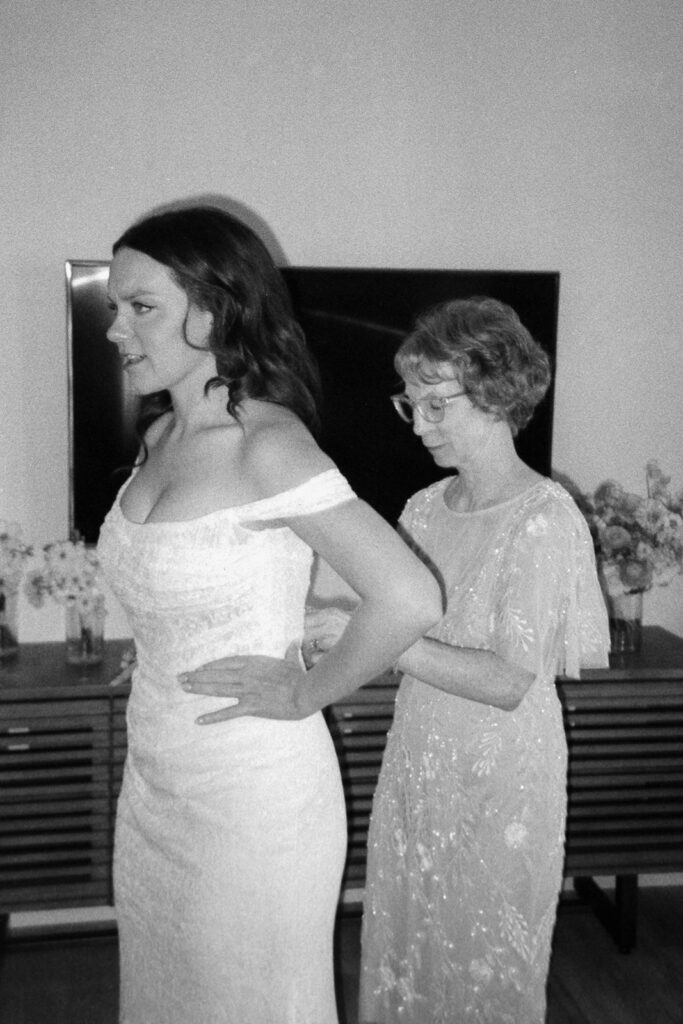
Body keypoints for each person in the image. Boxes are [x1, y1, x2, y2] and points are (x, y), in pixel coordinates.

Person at [188, 295, 610, 1023]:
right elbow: (411, 640)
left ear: (495, 393)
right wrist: (350, 625)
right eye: (409, 404)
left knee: (482, 967)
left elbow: (509, 680)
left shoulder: (546, 520)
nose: (419, 424)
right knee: (406, 945)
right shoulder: (420, 509)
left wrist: (393, 640)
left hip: (501, 780)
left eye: (436, 404)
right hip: (417, 764)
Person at [96, 204, 442, 1024]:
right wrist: (159, 643)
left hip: (250, 800)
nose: (116, 328)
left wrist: (303, 691)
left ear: (213, 311)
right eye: (115, 307)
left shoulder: (267, 442)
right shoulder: (157, 434)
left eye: (141, 307)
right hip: (155, 781)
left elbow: (408, 597)